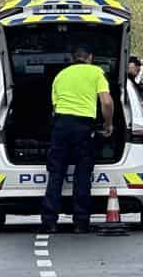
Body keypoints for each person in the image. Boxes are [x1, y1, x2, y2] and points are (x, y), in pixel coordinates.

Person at [42, 44, 114, 234]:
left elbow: (54, 106)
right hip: (83, 127)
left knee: (56, 173)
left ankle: (49, 221)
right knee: (82, 174)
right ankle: (80, 222)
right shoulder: (96, 72)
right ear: (90, 57)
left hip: (61, 125)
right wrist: (108, 125)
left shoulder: (60, 76)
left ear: (73, 58)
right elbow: (106, 102)